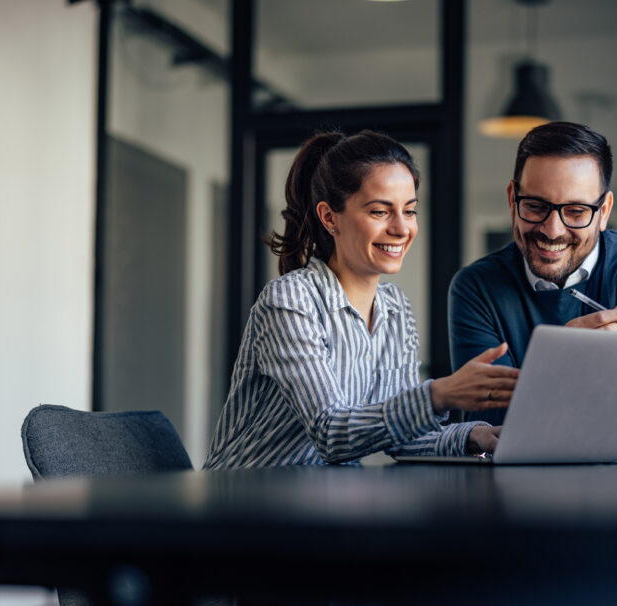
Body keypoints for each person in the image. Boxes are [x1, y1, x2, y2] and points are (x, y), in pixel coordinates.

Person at [205, 130, 519, 469]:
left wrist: (475, 436)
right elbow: (331, 433)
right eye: (380, 212)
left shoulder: (395, 308)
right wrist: (438, 394)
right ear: (329, 217)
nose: (402, 228)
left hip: (323, 502)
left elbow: (401, 434)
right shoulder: (289, 301)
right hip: (244, 503)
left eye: (409, 211)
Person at [449, 121, 617, 462]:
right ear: (513, 199)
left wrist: (542, 399)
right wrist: (562, 364)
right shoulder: (476, 288)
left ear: (604, 212)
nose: (552, 230)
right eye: (536, 206)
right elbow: (496, 435)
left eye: (575, 211)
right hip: (527, 498)